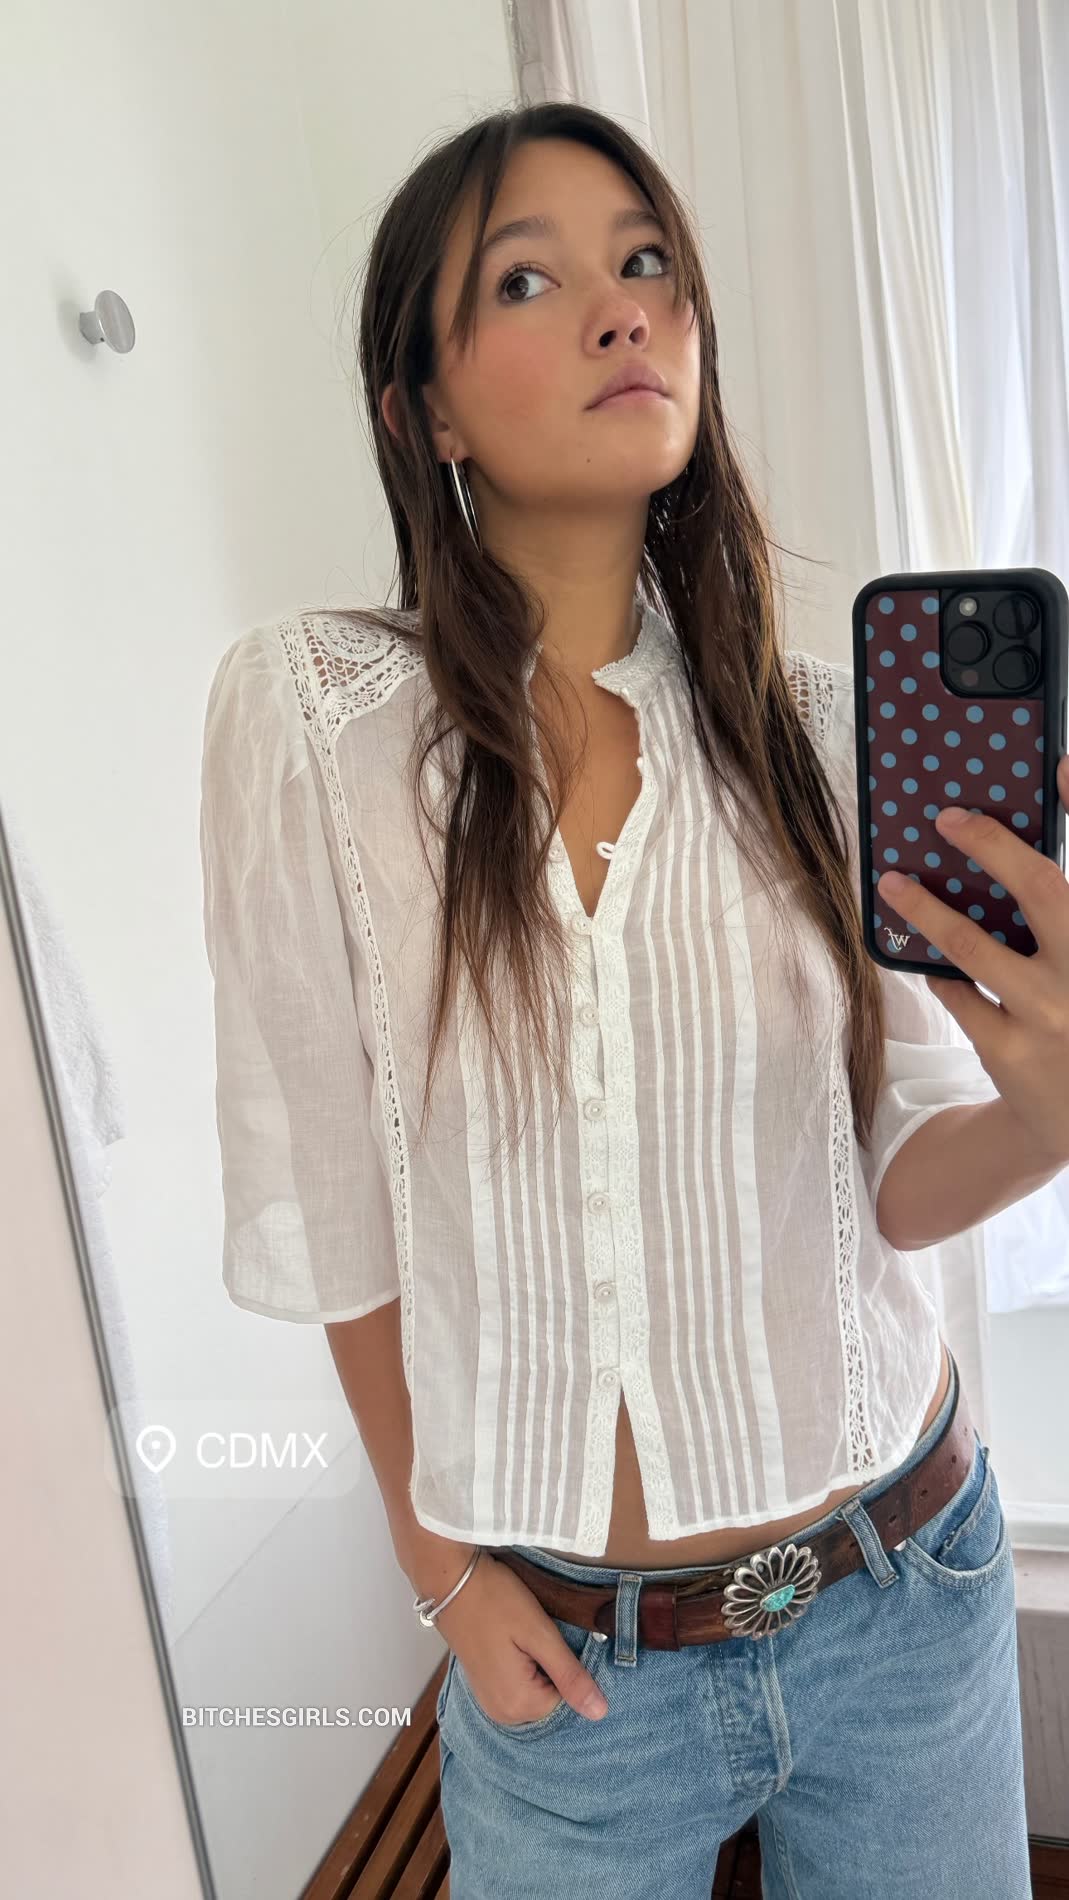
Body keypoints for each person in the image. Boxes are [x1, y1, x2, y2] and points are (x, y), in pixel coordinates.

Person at [199, 101, 1031, 1898]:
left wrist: (1052, 1107)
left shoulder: (816, 731)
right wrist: (439, 1571)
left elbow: (896, 1172)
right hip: (574, 1671)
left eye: (646, 262)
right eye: (528, 278)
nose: (621, 308)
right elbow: (334, 1203)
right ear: (422, 412)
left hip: (899, 1586)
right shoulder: (317, 725)